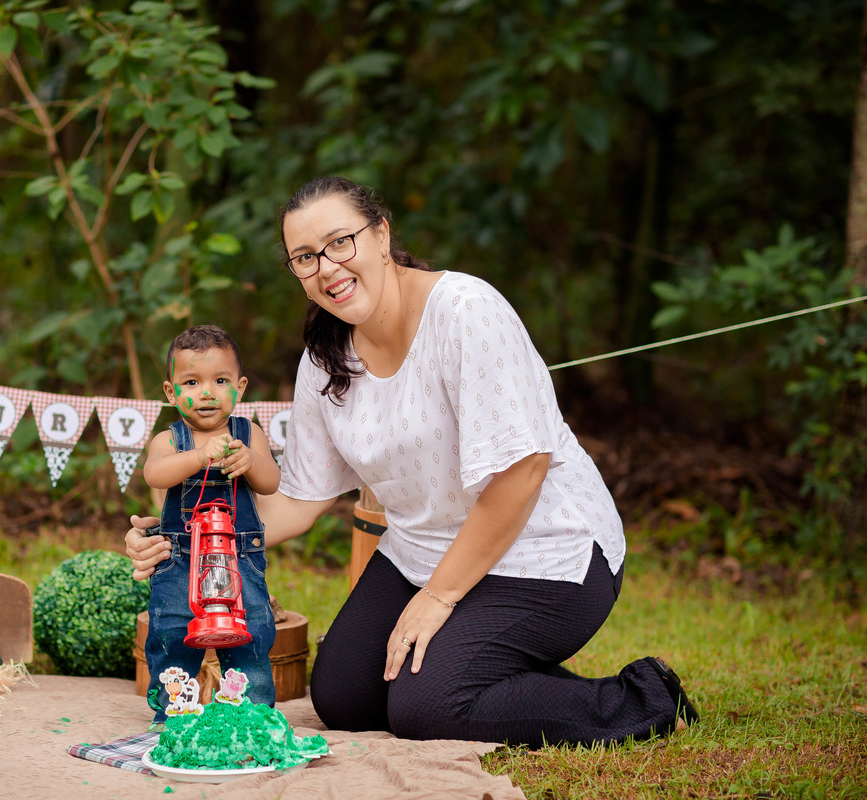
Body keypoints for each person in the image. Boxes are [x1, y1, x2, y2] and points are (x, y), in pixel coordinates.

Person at [127, 177, 698, 747]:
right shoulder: (324, 361)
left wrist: (439, 598)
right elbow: (298, 500)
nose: (326, 268)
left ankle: (646, 697)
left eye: (340, 242)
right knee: (345, 696)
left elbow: (522, 473)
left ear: (381, 234)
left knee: (426, 708)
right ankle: (493, 675)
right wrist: (187, 536)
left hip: (546, 552)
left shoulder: (467, 312)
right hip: (420, 552)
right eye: (305, 257)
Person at [140, 324, 281, 726]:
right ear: (171, 392)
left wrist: (251, 462)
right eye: (192, 381)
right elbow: (156, 474)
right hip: (180, 565)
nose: (206, 392)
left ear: (240, 387)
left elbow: (271, 483)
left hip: (240, 560)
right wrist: (200, 455)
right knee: (171, 632)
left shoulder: (247, 433)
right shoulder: (171, 441)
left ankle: (251, 714)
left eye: (220, 381)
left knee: (252, 630)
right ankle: (172, 714)